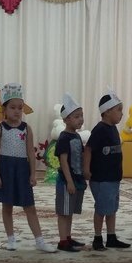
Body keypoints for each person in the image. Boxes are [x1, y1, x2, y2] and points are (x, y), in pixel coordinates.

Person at [0, 83, 57, 253]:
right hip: (6, 169)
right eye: (12, 107)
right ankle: (11, 239)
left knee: (29, 206)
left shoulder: (26, 129)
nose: (17, 111)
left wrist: (33, 173)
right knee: (7, 206)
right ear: (4, 109)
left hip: (22, 170)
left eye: (20, 108)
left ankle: (39, 241)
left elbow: (30, 153)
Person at [84, 89, 131, 251]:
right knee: (101, 209)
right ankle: (97, 238)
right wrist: (86, 169)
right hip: (101, 178)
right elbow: (88, 149)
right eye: (119, 110)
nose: (122, 114)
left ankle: (111, 237)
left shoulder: (113, 128)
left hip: (113, 177)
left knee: (112, 208)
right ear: (107, 111)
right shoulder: (100, 129)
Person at [54, 93, 87, 252]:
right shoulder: (64, 137)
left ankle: (68, 237)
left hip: (77, 179)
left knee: (70, 211)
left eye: (81, 116)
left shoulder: (77, 136)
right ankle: (62, 241)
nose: (80, 119)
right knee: (63, 212)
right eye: (76, 116)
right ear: (66, 119)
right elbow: (63, 160)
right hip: (66, 181)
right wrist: (69, 181)